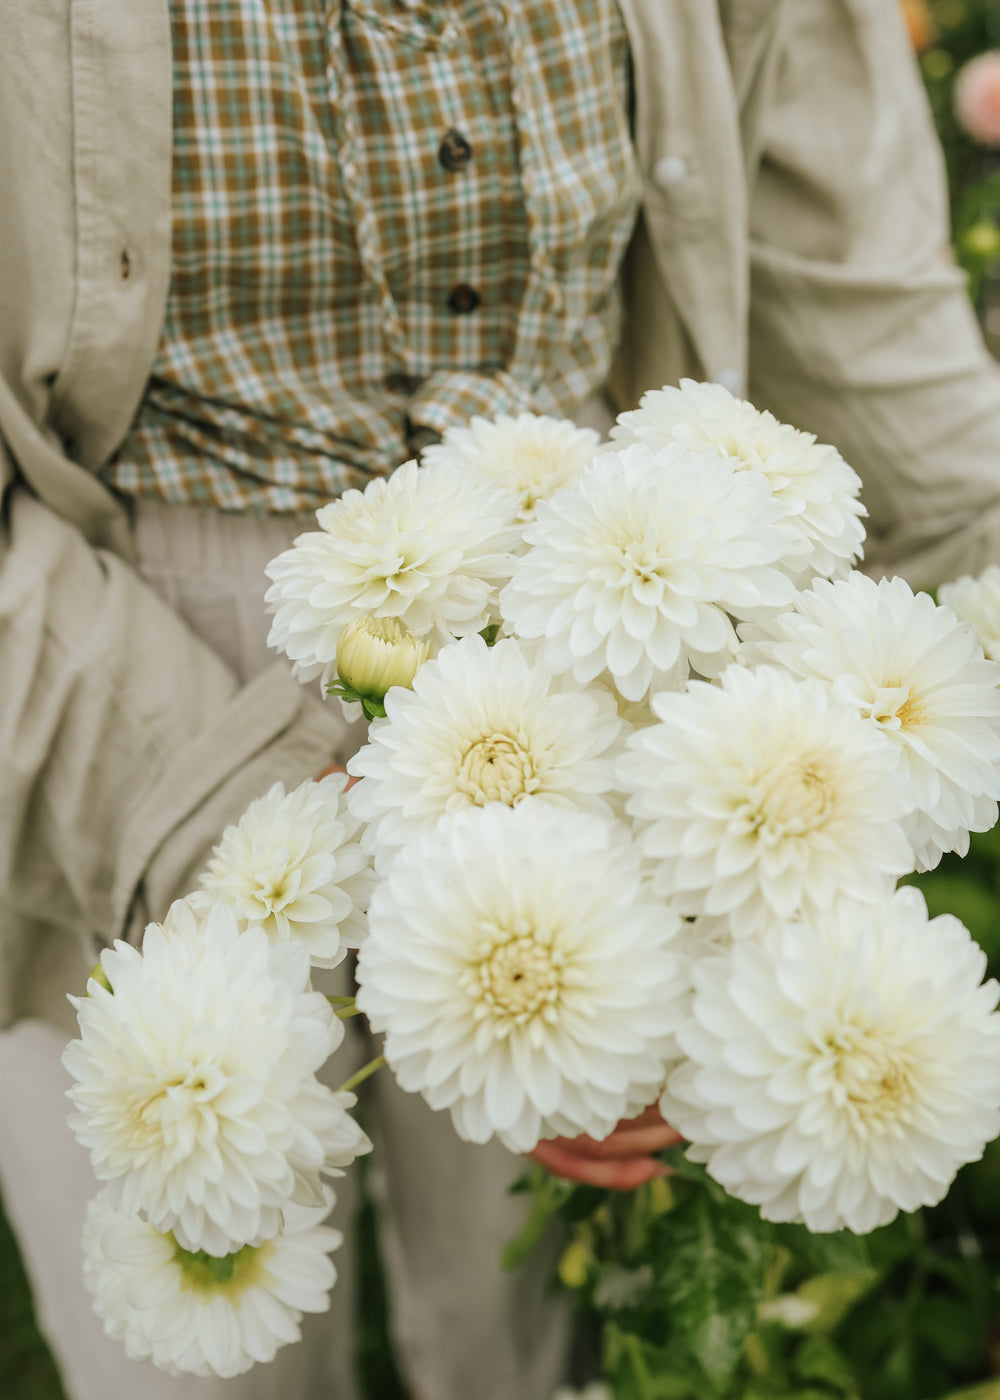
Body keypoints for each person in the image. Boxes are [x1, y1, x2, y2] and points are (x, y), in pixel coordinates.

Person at [2, 2, 1000, 1397]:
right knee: (184, 1269)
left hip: (600, 623)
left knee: (531, 1327)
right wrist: (210, 797)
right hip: (101, 638)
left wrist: (945, 633)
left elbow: (840, 245)